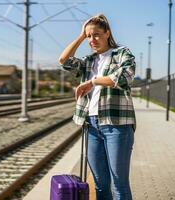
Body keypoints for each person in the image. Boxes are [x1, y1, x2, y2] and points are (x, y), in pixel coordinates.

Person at [59, 14, 136, 200]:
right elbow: (64, 60)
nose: (92, 40)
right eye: (89, 36)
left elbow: (125, 77)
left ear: (107, 33)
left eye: (97, 35)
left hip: (117, 125)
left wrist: (92, 82)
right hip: (92, 125)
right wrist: (80, 36)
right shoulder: (89, 60)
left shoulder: (122, 53)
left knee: (119, 184)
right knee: (100, 184)